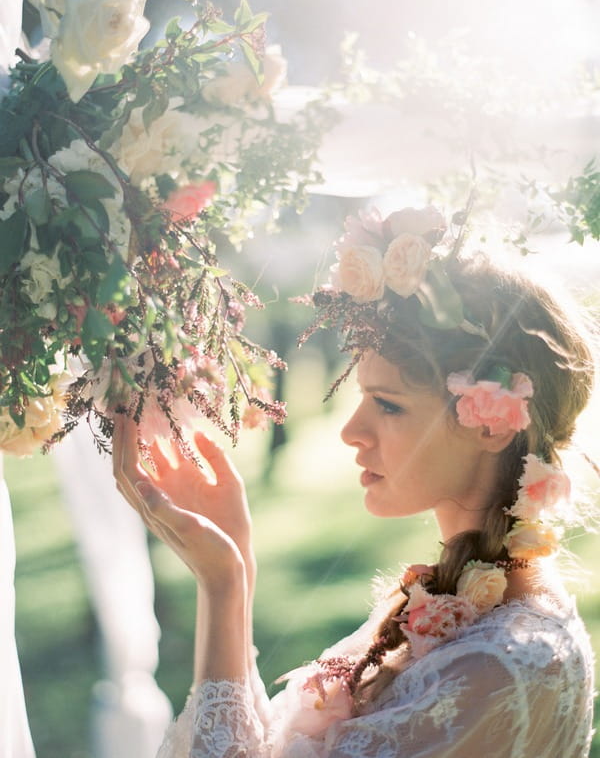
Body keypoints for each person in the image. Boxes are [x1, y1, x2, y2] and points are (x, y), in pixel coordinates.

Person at [112, 205, 596, 757]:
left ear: (491, 419)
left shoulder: (497, 667)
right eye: (361, 397)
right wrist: (237, 562)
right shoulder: (447, 609)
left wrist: (221, 586)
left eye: (388, 405)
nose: (350, 432)